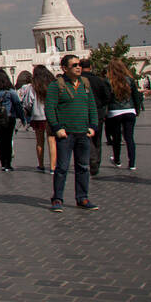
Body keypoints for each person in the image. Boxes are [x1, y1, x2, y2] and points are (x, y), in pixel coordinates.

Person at [47, 55, 97, 212]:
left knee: (83, 166)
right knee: (62, 167)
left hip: (83, 132)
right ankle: (57, 198)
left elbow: (92, 107)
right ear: (64, 68)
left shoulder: (85, 84)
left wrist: (93, 126)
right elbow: (50, 108)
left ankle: (82, 198)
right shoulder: (56, 86)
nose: (78, 67)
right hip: (66, 133)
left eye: (80, 64)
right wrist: (57, 127)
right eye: (74, 65)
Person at [105, 59, 142, 170]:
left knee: (116, 138)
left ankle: (117, 160)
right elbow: (136, 96)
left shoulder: (108, 81)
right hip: (129, 111)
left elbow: (107, 98)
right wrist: (137, 110)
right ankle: (132, 163)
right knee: (129, 138)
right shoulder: (130, 80)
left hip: (114, 112)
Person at [0, 69, 25, 171]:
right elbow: (17, 105)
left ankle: (3, 163)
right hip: (8, 118)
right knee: (8, 140)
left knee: (1, 140)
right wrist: (22, 118)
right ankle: (8, 163)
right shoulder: (11, 92)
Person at [21, 65, 57, 172]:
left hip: (38, 116)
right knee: (52, 141)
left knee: (39, 142)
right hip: (51, 115)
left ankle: (41, 164)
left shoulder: (32, 87)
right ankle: (53, 166)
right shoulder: (53, 84)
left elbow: (28, 102)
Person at [79, 58, 111, 176]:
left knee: (87, 137)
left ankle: (92, 160)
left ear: (80, 68)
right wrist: (101, 106)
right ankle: (96, 162)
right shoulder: (99, 80)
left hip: (83, 113)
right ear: (91, 67)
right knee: (97, 138)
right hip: (98, 113)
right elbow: (107, 96)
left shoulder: (78, 81)